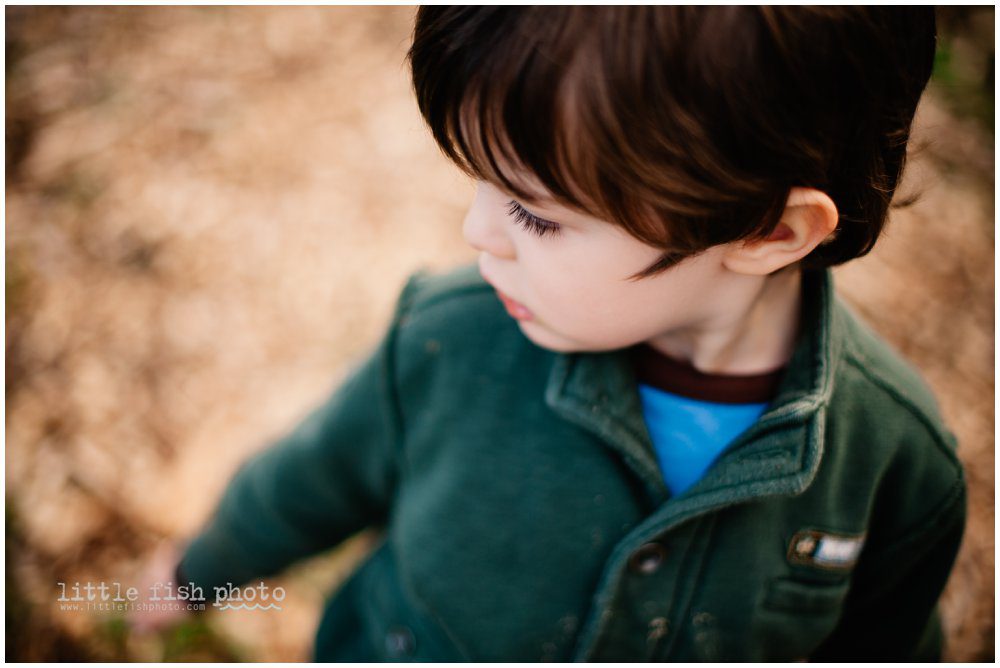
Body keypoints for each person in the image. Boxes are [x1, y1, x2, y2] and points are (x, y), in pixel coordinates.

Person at [130, 7, 966, 661]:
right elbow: (314, 477)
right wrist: (197, 574)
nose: (477, 231)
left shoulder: (894, 462)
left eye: (536, 214)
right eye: (482, 182)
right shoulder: (452, 339)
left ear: (768, 233)